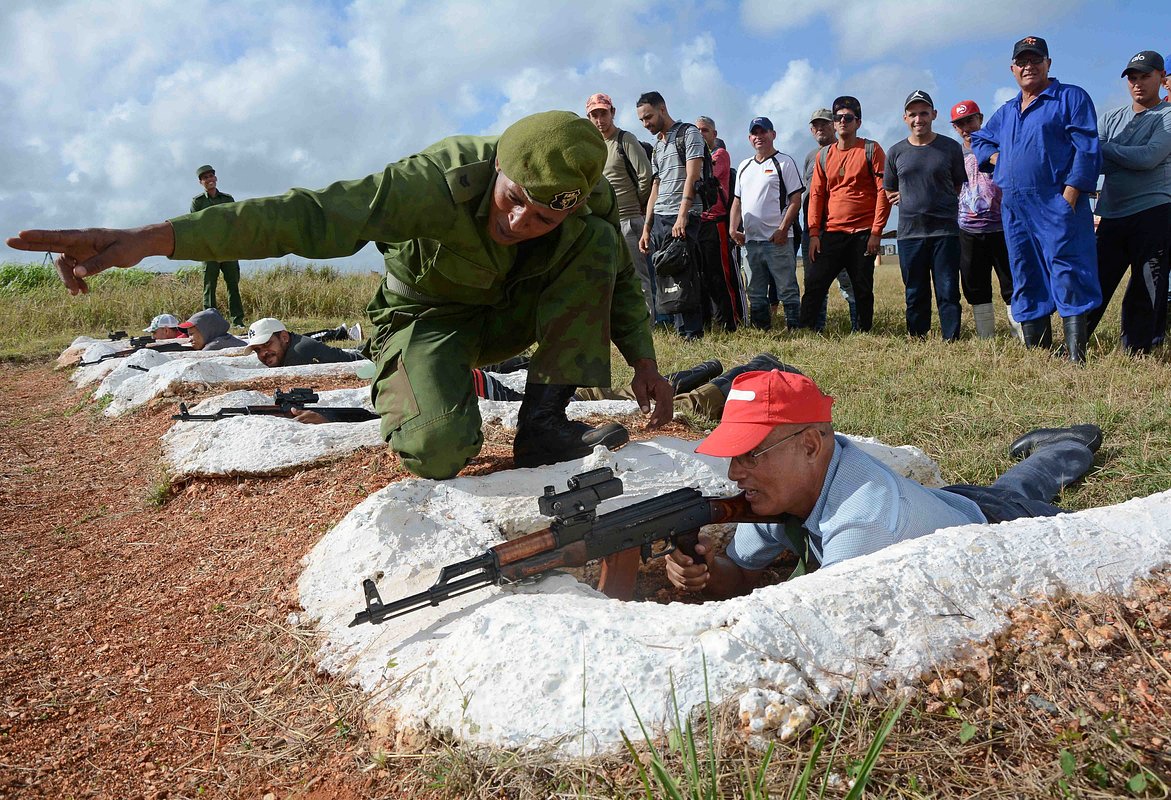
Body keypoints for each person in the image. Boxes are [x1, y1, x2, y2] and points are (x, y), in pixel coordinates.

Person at [7, 111, 675, 480]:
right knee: (439, 450)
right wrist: (150, 239)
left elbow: (614, 280)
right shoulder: (434, 183)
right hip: (426, 318)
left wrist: (643, 361)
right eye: (513, 201)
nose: (520, 223)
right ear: (498, 166)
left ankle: (543, 426)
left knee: (597, 246)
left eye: (544, 216)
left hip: (507, 316)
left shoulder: (583, 210)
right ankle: (416, 388)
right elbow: (308, 216)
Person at [664, 369, 1101, 598]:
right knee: (1010, 489)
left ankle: (1071, 447)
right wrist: (704, 572)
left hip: (994, 531)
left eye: (750, 454)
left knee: (1066, 524)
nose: (735, 472)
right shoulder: (783, 488)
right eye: (733, 455)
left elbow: (819, 621)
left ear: (810, 445)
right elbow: (741, 573)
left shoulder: (865, 523)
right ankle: (1059, 447)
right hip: (946, 504)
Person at [970, 36, 1102, 362]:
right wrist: (999, 159)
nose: (1029, 66)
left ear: (1048, 64)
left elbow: (1087, 148)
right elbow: (980, 139)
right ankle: (1039, 354)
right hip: (1015, 208)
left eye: (1036, 60)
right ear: (1013, 69)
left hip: (1056, 201)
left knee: (1068, 269)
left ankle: (1076, 355)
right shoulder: (1007, 111)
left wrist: (1070, 195)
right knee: (1025, 272)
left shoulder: (1070, 97)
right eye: (1022, 61)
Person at [1086, 51, 1171, 355]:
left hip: (1154, 211)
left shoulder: (1168, 115)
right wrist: (1116, 155)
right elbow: (1092, 162)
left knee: (1145, 287)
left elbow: (1148, 158)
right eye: (1132, 78)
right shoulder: (1110, 117)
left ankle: (1136, 352)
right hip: (1111, 212)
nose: (1137, 83)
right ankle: (1075, 343)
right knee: (1095, 281)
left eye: (1145, 76)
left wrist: (1108, 148)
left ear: (1161, 78)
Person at [801, 96, 891, 333]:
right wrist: (814, 233)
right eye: (838, 117)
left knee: (862, 286)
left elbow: (883, 192)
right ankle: (805, 330)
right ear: (834, 122)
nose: (843, 121)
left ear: (858, 122)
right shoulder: (823, 156)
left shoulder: (871, 149)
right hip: (832, 232)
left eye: (848, 118)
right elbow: (816, 195)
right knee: (815, 283)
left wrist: (876, 232)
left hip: (863, 232)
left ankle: (862, 332)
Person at [884, 90, 966, 341]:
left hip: (945, 232)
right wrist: (905, 197)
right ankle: (917, 337)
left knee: (948, 290)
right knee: (915, 291)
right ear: (905, 118)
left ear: (934, 115)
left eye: (923, 113)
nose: (918, 119)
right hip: (910, 234)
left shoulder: (950, 148)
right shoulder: (896, 152)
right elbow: (889, 188)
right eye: (913, 114)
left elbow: (958, 184)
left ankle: (951, 338)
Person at [636, 91, 708, 340]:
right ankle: (680, 330)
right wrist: (647, 228)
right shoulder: (657, 146)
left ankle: (693, 331)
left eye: (648, 117)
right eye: (642, 120)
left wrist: (682, 215)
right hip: (661, 215)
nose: (646, 124)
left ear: (662, 109)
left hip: (683, 214)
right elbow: (655, 187)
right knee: (667, 272)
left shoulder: (689, 133)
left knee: (686, 272)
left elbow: (693, 175)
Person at [950, 100, 1019, 340]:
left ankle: (1019, 333)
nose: (966, 127)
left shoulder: (998, 148)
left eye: (970, 120)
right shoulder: (953, 155)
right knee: (975, 285)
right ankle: (985, 337)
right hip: (968, 229)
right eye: (960, 124)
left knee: (1011, 283)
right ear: (955, 127)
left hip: (1002, 226)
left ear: (980, 118)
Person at [729, 117, 804, 330]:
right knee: (755, 290)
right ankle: (761, 329)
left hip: (777, 240)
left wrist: (783, 229)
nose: (759, 137)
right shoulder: (744, 166)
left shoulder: (784, 162)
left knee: (786, 287)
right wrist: (733, 229)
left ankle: (794, 328)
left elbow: (795, 199)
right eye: (755, 133)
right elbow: (737, 201)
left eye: (763, 132)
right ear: (749, 138)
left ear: (773, 134)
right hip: (751, 241)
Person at [587, 92, 656, 317]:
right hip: (604, 224)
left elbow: (646, 176)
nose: (600, 120)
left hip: (629, 220)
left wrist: (637, 204)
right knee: (609, 279)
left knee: (638, 276)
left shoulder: (625, 139)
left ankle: (647, 323)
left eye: (603, 113)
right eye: (594, 115)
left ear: (613, 112)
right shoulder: (592, 147)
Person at [802, 109, 857, 331]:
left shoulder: (849, 151)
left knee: (849, 282)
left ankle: (858, 327)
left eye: (824, 124)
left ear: (834, 125)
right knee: (814, 283)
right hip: (812, 229)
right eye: (816, 125)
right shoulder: (810, 156)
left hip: (839, 228)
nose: (820, 128)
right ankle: (815, 329)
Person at [694, 116, 738, 332]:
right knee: (702, 276)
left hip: (716, 222)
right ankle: (708, 322)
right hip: (698, 221)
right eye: (697, 131)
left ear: (714, 134)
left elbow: (703, 175)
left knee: (719, 274)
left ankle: (730, 322)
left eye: (704, 130)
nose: (700, 134)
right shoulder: (696, 158)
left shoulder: (720, 155)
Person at [191, 166, 245, 327]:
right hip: (209, 250)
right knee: (209, 287)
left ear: (216, 178)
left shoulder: (227, 199)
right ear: (201, 182)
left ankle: (237, 321)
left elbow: (235, 222)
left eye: (211, 176)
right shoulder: (198, 202)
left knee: (233, 285)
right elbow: (195, 226)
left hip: (228, 249)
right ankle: (210, 322)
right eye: (205, 178)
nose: (209, 180)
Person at [245, 317, 366, 367]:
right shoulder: (291, 344)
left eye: (267, 344)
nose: (263, 353)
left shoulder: (297, 355)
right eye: (257, 350)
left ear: (284, 337)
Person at [179, 308, 247, 351]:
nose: (190, 339)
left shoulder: (213, 346)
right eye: (189, 335)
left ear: (206, 331)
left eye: (191, 334)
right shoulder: (226, 338)